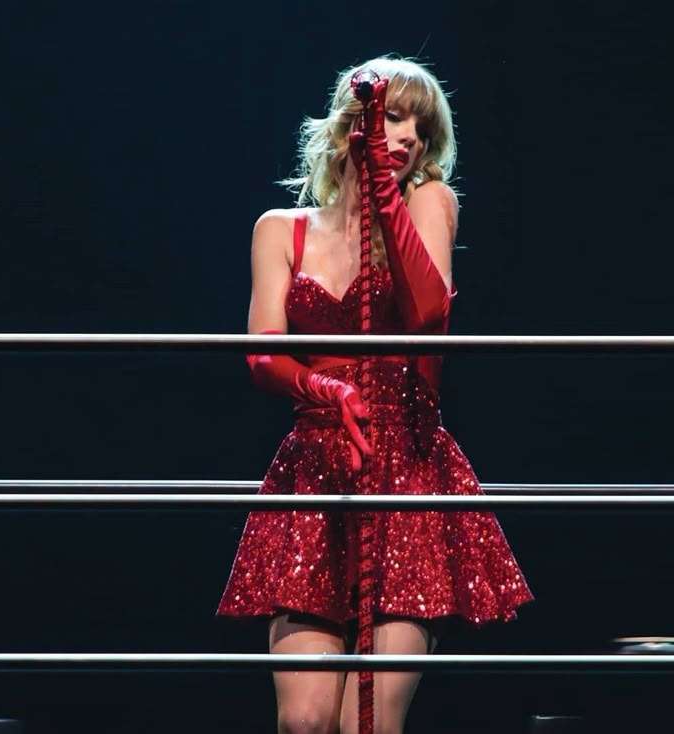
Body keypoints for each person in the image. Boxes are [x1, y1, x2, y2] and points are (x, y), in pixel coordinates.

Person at [217, 54, 533, 734]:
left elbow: (426, 315)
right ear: (350, 125)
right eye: (393, 116)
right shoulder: (281, 229)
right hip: (317, 472)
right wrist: (316, 382)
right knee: (304, 720)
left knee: (369, 725)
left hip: (405, 469)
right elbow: (260, 351)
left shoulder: (428, 203)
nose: (409, 136)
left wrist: (387, 197)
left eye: (422, 127)